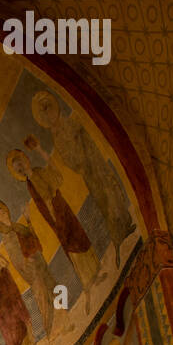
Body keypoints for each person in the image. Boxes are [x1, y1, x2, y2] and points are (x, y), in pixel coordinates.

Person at [31, 90, 134, 266]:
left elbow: (84, 131)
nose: (48, 113)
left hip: (95, 160)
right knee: (102, 198)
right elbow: (68, 158)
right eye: (43, 111)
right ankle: (117, 233)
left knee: (111, 187)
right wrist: (79, 157)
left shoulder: (68, 121)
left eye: (48, 107)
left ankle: (125, 224)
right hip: (86, 169)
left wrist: (83, 144)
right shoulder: (56, 137)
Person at [7, 147, 98, 312]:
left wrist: (41, 151)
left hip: (60, 208)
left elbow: (57, 179)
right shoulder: (29, 184)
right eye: (17, 169)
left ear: (26, 159)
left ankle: (95, 274)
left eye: (20, 163)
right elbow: (41, 205)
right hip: (53, 216)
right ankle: (87, 284)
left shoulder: (39, 172)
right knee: (69, 247)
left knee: (78, 237)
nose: (20, 168)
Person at [0, 200, 57, 345]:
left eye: (3, 212)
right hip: (32, 270)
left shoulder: (17, 227)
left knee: (55, 289)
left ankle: (64, 317)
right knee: (43, 298)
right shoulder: (7, 236)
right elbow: (16, 259)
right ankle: (51, 331)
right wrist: (28, 263)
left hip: (40, 263)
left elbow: (34, 238)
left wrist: (29, 219)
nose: (3, 215)